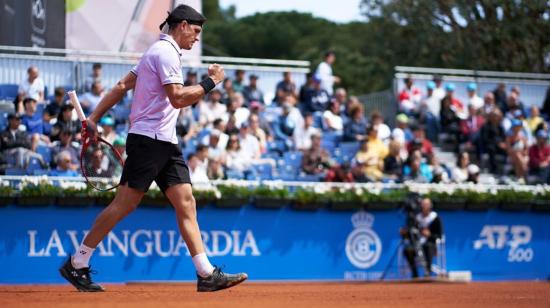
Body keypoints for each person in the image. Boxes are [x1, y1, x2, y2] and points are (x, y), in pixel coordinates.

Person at [58, 5, 247, 293]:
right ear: (182, 25)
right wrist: (211, 82)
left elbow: (122, 85)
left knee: (186, 202)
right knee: (125, 204)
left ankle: (206, 273)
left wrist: (94, 118)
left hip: (166, 142)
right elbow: (178, 98)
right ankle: (77, 261)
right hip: (149, 141)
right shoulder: (166, 53)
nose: (196, 38)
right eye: (195, 32)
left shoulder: (154, 53)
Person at [401, 198, 443, 278]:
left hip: (431, 244)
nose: (424, 207)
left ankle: (427, 271)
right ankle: (414, 274)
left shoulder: (435, 218)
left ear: (430, 206)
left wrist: (429, 235)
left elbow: (439, 235)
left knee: (428, 246)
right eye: (423, 205)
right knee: (408, 250)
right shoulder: (417, 218)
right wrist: (405, 233)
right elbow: (412, 235)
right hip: (417, 244)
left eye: (426, 205)